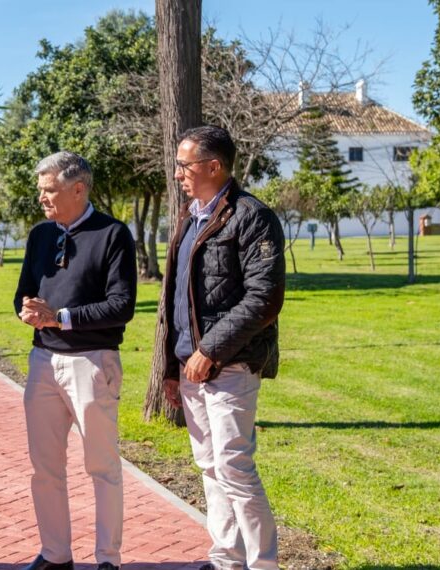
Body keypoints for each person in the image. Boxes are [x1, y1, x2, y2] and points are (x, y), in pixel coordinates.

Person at [160, 126, 285, 570]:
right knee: (210, 468)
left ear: (214, 167)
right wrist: (171, 370)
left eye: (184, 165)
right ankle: (226, 558)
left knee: (234, 467)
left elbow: (264, 297)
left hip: (229, 365)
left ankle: (262, 562)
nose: (177, 174)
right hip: (190, 366)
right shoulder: (190, 217)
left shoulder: (252, 217)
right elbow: (174, 298)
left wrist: (210, 350)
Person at [13, 151, 137, 570]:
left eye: (50, 191)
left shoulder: (113, 234)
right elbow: (24, 292)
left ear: (78, 189)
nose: (42, 199)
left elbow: (121, 306)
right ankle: (55, 554)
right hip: (42, 362)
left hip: (92, 363)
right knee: (44, 468)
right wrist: (27, 310)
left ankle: (108, 559)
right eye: (41, 191)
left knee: (102, 466)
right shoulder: (39, 235)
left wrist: (61, 318)